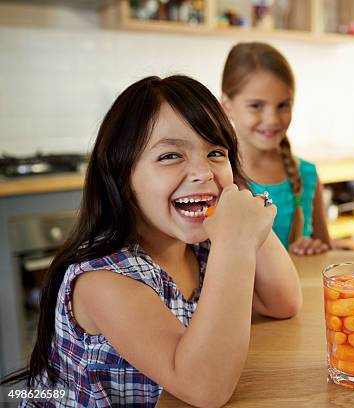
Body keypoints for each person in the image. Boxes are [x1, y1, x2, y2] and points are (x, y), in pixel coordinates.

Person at [1, 75, 302, 407]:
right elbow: (204, 387)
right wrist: (236, 243)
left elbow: (283, 302)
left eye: (216, 152)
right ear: (123, 177)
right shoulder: (104, 280)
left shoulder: (204, 246)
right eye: (170, 156)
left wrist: (241, 203)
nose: (203, 172)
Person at [221, 42, 332, 256]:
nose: (272, 120)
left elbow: (327, 256)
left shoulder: (306, 175)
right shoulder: (215, 180)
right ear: (226, 105)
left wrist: (315, 249)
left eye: (283, 105)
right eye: (256, 106)